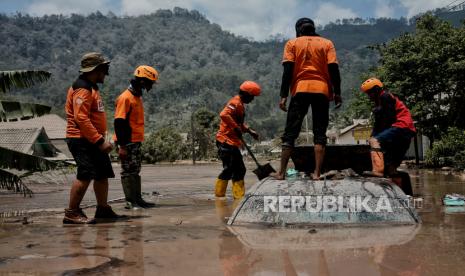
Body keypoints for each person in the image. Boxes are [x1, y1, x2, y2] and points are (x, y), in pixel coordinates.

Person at [272, 17, 342, 180]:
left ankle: (281, 173)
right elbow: (334, 70)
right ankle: (317, 173)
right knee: (320, 133)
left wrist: (283, 96)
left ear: (298, 30)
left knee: (290, 133)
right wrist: (337, 92)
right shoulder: (327, 43)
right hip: (322, 91)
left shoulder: (292, 44)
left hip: (300, 90)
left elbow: (287, 72)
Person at [64, 52, 120, 224]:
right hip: (82, 139)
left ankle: (102, 209)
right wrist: (99, 141)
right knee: (85, 174)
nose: (106, 73)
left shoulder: (92, 87)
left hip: (92, 139)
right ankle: (72, 212)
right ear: (96, 69)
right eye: (104, 69)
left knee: (102, 174)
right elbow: (81, 118)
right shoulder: (82, 88)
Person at [114, 65, 158, 209]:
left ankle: (137, 199)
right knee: (127, 171)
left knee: (135, 170)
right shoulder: (125, 98)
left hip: (135, 141)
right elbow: (119, 123)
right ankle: (130, 201)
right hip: (127, 142)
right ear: (142, 81)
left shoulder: (136, 96)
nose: (151, 86)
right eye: (150, 82)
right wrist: (122, 146)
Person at [360, 78, 416, 178]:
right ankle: (396, 182)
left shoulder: (385, 96)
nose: (369, 96)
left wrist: (374, 139)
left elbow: (388, 120)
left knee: (374, 141)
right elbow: (378, 125)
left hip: (401, 126)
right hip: (407, 130)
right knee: (391, 168)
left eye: (370, 93)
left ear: (376, 90)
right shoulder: (380, 102)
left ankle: (377, 171)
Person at [215, 81, 261, 200]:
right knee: (238, 169)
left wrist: (250, 131)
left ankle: (220, 195)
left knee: (231, 169)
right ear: (246, 94)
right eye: (252, 97)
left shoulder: (239, 104)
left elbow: (238, 123)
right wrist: (235, 127)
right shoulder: (235, 102)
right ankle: (238, 197)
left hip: (231, 142)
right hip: (225, 141)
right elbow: (224, 114)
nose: (252, 100)